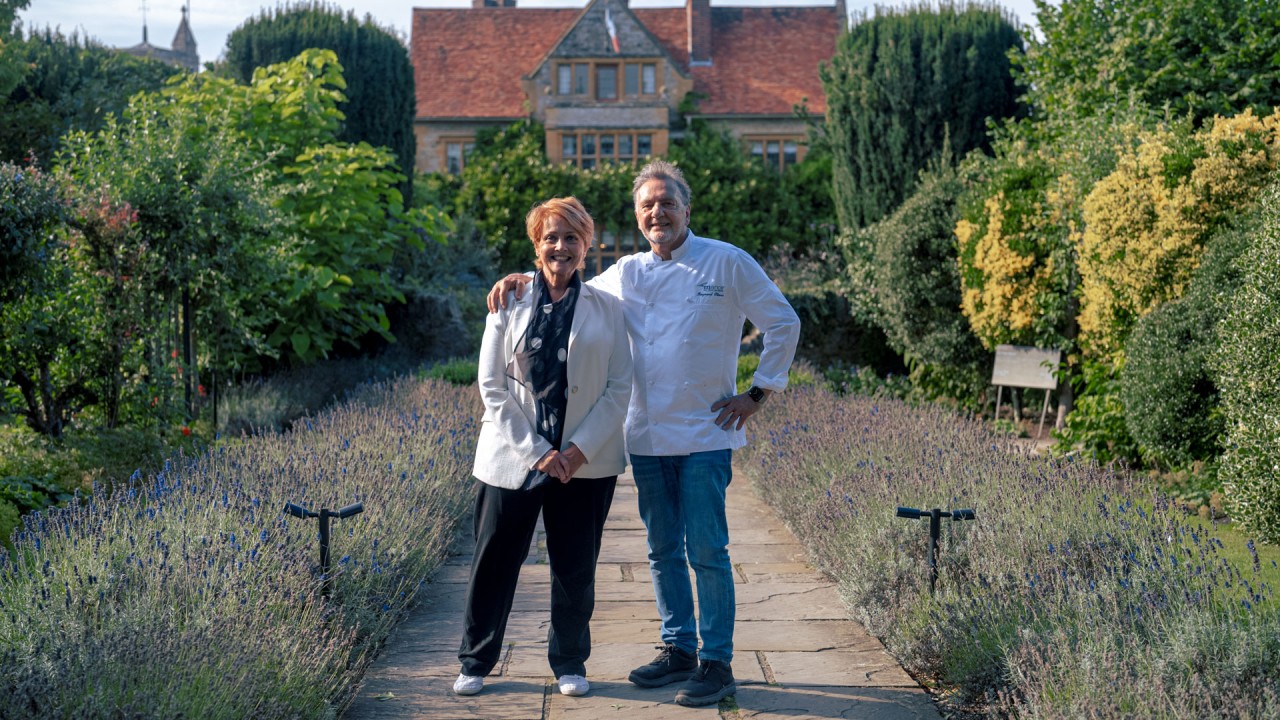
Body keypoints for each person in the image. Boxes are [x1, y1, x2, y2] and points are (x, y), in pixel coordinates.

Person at [488, 160, 800, 707]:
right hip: (647, 437)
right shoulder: (626, 273)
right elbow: (564, 283)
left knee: (707, 550)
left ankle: (717, 662)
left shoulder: (726, 261)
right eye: (647, 205)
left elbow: (783, 321)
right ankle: (678, 648)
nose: (658, 212)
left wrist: (757, 394)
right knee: (661, 549)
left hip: (706, 433)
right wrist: (521, 279)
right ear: (637, 216)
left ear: (687, 209)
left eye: (667, 202)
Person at [455, 197, 632, 699]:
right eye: (551, 237)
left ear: (586, 245)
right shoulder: (508, 300)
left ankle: (570, 662)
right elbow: (491, 386)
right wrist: (537, 451)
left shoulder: (608, 308)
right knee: (493, 562)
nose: (561, 246)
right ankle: (475, 661)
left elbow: (620, 386)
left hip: (583, 462)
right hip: (512, 456)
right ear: (537, 245)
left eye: (571, 237)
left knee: (575, 567)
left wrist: (577, 450)